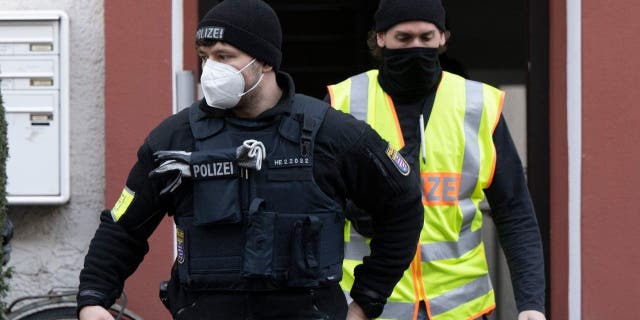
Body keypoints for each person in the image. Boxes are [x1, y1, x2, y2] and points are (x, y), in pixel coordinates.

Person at [76, 1, 423, 319]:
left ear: (265, 60)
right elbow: (123, 226)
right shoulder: (176, 138)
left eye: (224, 56)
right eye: (205, 56)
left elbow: (403, 205)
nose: (211, 68)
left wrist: (366, 301)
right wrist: (93, 299)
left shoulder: (330, 134)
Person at [326, 0, 546, 319]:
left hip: (460, 308)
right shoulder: (342, 101)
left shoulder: (479, 105)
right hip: (369, 307)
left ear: (442, 38)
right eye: (404, 38)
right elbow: (313, 199)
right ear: (381, 39)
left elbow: (515, 211)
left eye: (426, 37)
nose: (416, 46)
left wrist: (530, 304)